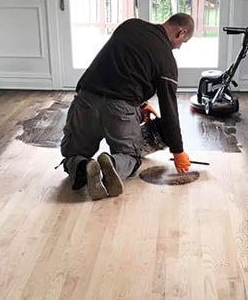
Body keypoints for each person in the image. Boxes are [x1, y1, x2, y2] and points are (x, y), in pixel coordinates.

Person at [60, 13, 194, 200]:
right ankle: (111, 165)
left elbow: (120, 65)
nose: (179, 47)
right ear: (181, 32)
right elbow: (169, 108)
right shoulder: (167, 61)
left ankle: (83, 167)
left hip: (85, 100)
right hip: (120, 111)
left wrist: (141, 103)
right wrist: (177, 150)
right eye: (183, 42)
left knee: (72, 155)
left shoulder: (130, 26)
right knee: (131, 157)